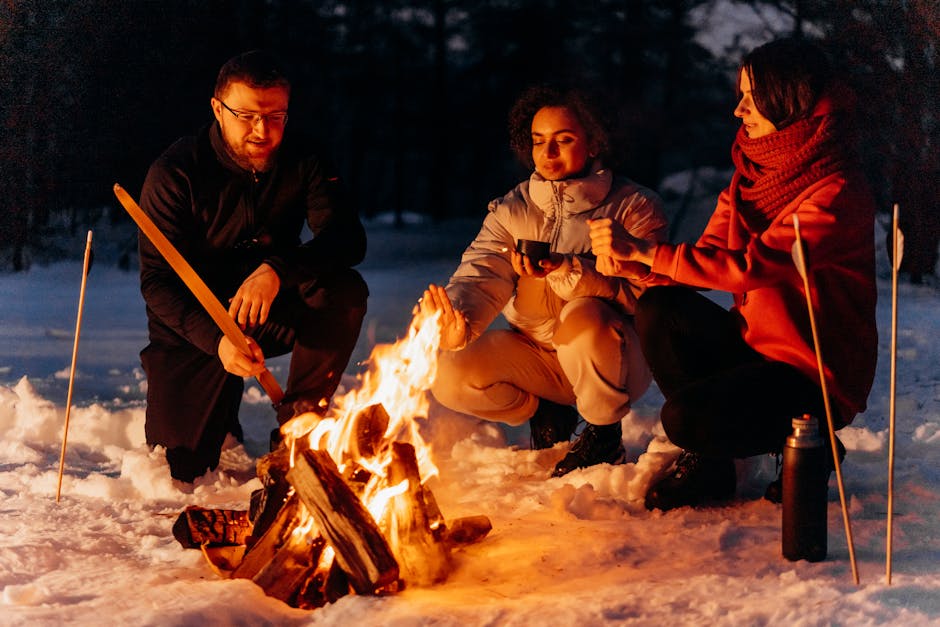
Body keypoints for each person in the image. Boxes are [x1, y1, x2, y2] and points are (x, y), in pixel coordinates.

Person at [588, 37, 878, 510]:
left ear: (786, 98)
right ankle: (711, 467)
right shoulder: (752, 175)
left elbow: (752, 268)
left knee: (683, 419)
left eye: (750, 96)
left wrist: (647, 250)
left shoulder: (837, 188)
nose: (738, 110)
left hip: (813, 373)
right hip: (756, 349)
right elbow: (708, 255)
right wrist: (638, 264)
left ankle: (815, 439)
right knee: (661, 306)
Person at [138, 50, 368, 482]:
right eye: (246, 115)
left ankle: (300, 425)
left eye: (276, 115)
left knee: (343, 289)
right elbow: (158, 282)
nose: (262, 130)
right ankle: (218, 411)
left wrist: (278, 269)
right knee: (183, 471)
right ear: (217, 109)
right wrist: (216, 340)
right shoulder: (175, 172)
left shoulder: (306, 159)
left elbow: (347, 239)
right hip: (195, 328)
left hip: (267, 310)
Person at [421, 85, 668, 477]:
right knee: (447, 370)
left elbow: (644, 296)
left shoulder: (635, 207)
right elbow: (483, 270)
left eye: (563, 140)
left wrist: (569, 270)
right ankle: (546, 412)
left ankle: (604, 435)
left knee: (585, 314)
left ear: (594, 142)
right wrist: (458, 319)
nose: (548, 153)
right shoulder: (512, 209)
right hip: (537, 358)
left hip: (615, 362)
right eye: (539, 141)